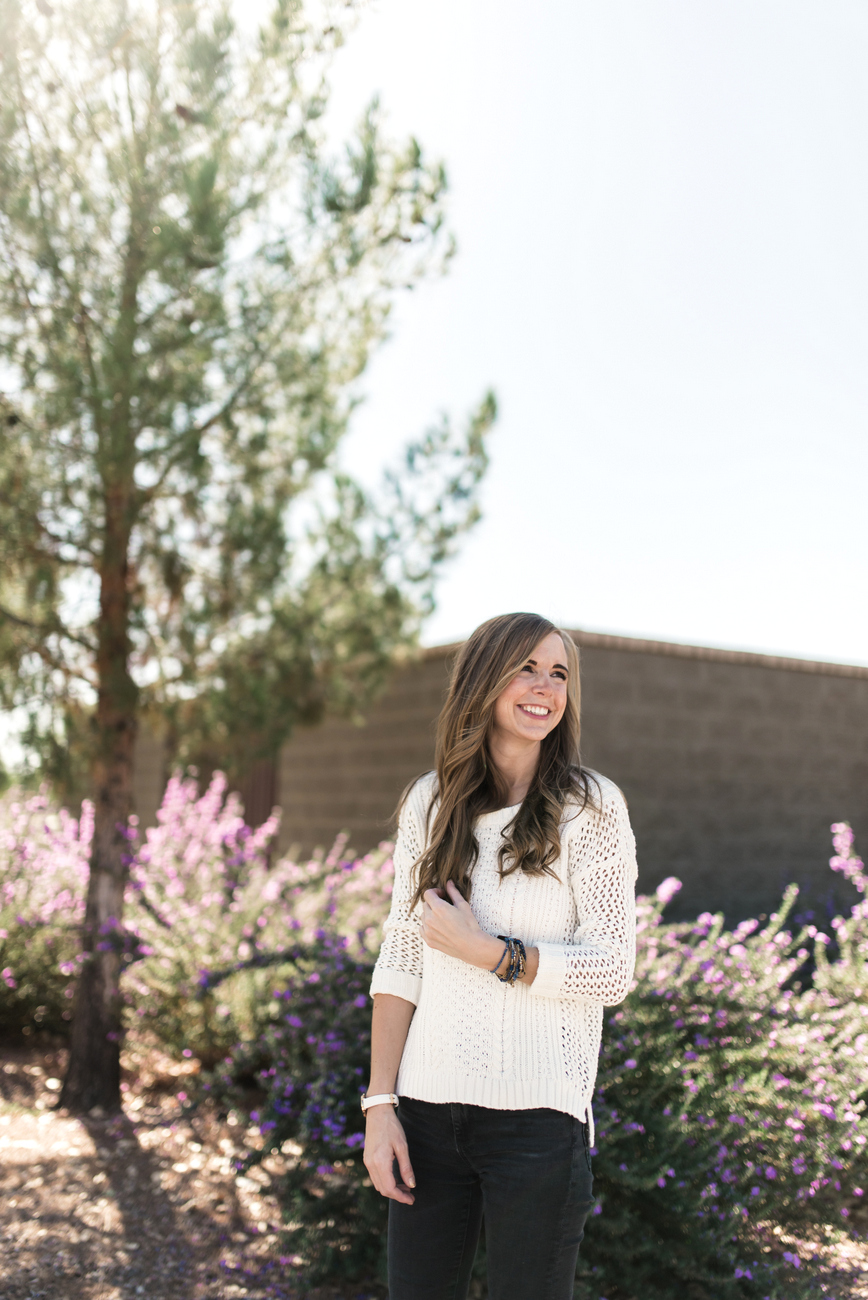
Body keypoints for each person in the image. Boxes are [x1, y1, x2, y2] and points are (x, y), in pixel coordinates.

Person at [362, 612, 638, 1300]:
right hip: (424, 1115)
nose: (545, 686)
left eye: (559, 673)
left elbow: (613, 969)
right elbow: (402, 953)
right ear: (484, 679)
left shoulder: (591, 806)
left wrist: (493, 954)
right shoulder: (429, 802)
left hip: (540, 1125)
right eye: (527, 667)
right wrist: (379, 1106)